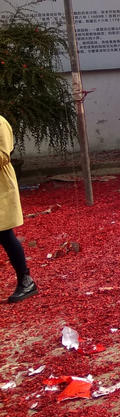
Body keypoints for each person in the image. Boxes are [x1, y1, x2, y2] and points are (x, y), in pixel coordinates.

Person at [1, 114, 35, 303]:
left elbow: (3, 155)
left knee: (5, 234)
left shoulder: (0, 123)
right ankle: (25, 280)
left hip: (2, 187)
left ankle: (26, 280)